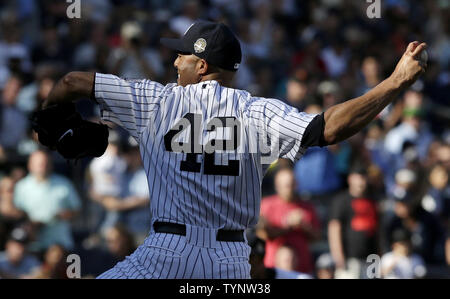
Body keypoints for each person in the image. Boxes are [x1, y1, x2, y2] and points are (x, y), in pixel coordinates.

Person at [38, 19, 427, 279]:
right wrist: (394, 82)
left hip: (164, 254)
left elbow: (73, 80)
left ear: (203, 66)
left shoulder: (154, 101)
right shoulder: (258, 111)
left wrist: (51, 117)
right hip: (230, 263)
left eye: (183, 55)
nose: (175, 61)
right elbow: (329, 128)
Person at [13, 150, 81, 252]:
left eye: (45, 163)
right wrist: (31, 224)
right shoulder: (21, 187)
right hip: (31, 246)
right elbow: (16, 213)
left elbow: (77, 210)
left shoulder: (64, 183)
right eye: (39, 164)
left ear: (51, 165)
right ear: (30, 165)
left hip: (60, 244)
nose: (42, 166)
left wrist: (66, 214)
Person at [257, 167, 320, 274]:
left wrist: (304, 226)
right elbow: (261, 234)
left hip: (302, 267)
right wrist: (288, 226)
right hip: (273, 267)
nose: (290, 188)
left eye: (292, 184)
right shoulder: (266, 205)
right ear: (277, 186)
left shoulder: (307, 207)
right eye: (287, 185)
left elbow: (317, 237)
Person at [328, 167, 379, 279]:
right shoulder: (341, 200)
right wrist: (338, 256)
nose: (361, 182)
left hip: (371, 258)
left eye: (364, 178)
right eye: (358, 178)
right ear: (350, 179)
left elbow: (378, 230)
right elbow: (334, 228)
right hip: (350, 259)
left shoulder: (373, 200)